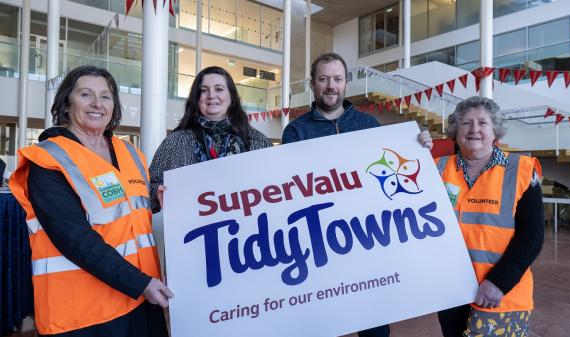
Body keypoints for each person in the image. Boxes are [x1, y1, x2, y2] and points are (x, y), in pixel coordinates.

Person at [9, 65, 172, 336]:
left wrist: (161, 200)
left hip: (142, 301)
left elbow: (132, 214)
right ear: (66, 103)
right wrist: (140, 283)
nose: (97, 103)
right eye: (86, 94)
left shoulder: (130, 152)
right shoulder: (48, 160)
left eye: (106, 96)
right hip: (85, 313)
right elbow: (75, 239)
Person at [282, 52, 433, 337]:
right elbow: (291, 188)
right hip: (318, 243)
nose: (330, 85)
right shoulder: (296, 130)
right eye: (323, 78)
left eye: (337, 79)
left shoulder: (368, 125)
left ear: (346, 83)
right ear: (313, 84)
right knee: (317, 324)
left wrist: (418, 145)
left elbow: (389, 171)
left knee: (375, 329)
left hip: (366, 239)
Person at [434, 96, 544, 337]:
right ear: (455, 130)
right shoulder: (436, 168)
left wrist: (499, 282)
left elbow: (532, 236)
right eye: (466, 123)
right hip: (452, 292)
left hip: (501, 294)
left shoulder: (522, 171)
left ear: (495, 131)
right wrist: (414, 146)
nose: (474, 130)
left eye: (483, 123)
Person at [149, 66, 272, 212]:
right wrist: (158, 193)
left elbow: (275, 186)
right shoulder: (174, 142)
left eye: (219, 89)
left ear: (232, 98)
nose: (211, 95)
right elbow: (148, 188)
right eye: (203, 90)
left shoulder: (258, 142)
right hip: (192, 229)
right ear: (197, 98)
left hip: (249, 230)